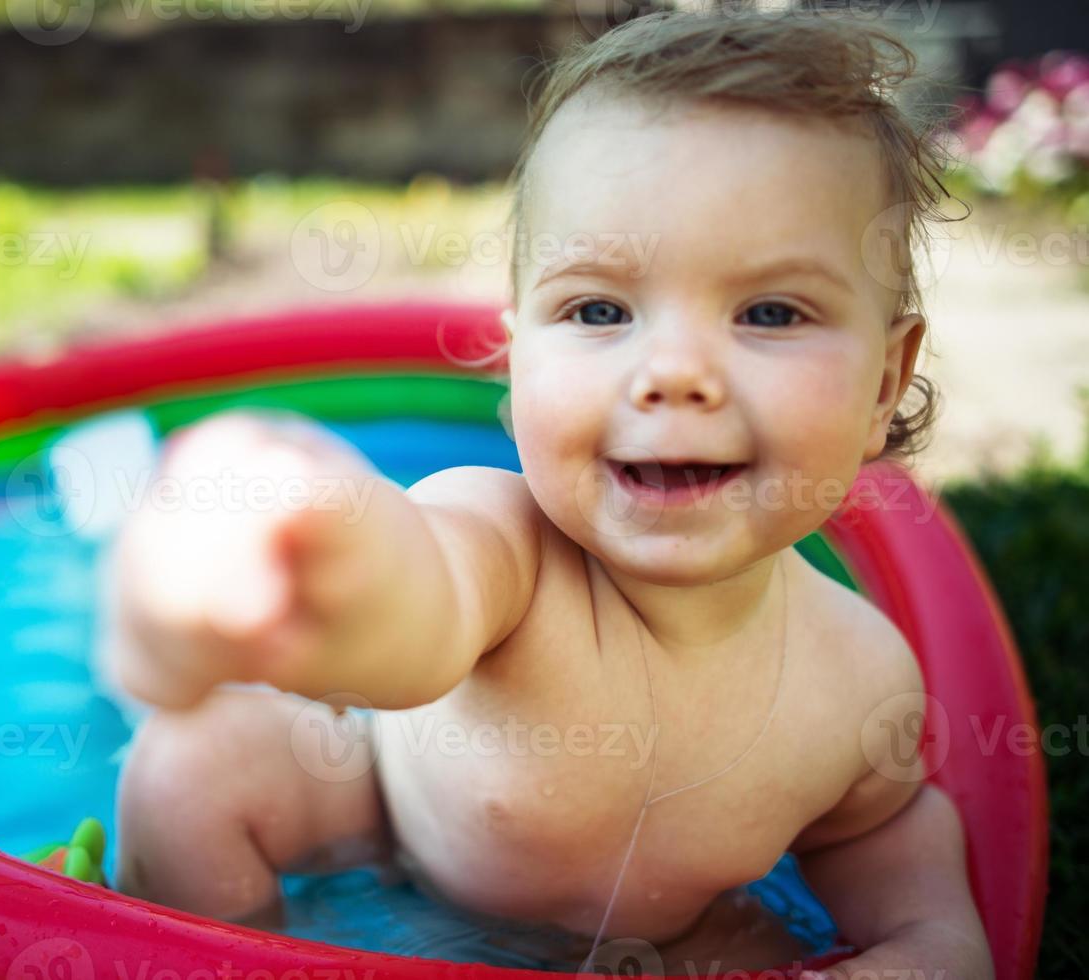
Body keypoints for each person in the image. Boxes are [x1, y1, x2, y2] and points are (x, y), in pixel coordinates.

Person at [108, 9, 992, 977]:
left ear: (879, 383)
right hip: (373, 821)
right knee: (194, 761)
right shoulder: (507, 548)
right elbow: (415, 599)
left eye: (770, 311)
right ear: (518, 356)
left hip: (671, 935)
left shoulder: (858, 674)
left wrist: (927, 942)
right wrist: (318, 539)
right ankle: (230, 955)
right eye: (599, 309)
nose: (672, 372)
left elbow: (878, 830)